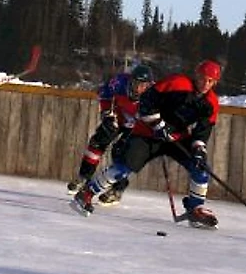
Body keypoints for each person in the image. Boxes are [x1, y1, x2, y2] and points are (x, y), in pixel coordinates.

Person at [71, 60, 221, 227]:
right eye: (203, 78)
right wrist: (157, 124)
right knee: (123, 167)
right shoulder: (177, 82)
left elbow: (203, 130)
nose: (206, 84)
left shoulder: (211, 103)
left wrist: (199, 149)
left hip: (176, 138)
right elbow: (147, 101)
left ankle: (195, 209)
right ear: (196, 75)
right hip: (147, 133)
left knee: (200, 168)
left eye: (210, 81)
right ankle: (87, 193)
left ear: (215, 82)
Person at [67, 64, 154, 204]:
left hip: (138, 126)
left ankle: (117, 190)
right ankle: (83, 177)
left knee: (122, 153)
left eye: (143, 86)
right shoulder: (119, 82)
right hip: (119, 117)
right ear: (130, 80)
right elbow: (105, 94)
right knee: (98, 141)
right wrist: (107, 114)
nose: (139, 89)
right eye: (136, 83)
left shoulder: (155, 96)